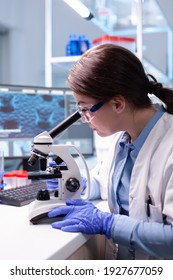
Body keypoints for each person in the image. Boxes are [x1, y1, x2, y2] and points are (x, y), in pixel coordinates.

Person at [48, 43, 173, 260]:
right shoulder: (123, 139)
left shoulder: (169, 146)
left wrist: (108, 224)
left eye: (86, 109)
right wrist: (75, 181)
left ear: (117, 104)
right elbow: (108, 186)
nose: (84, 119)